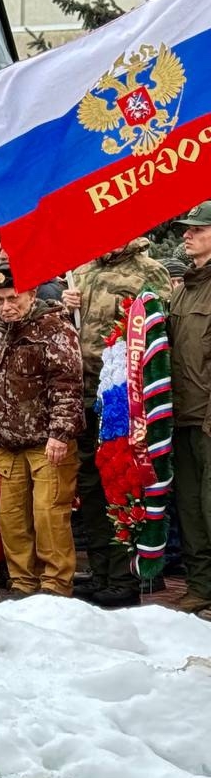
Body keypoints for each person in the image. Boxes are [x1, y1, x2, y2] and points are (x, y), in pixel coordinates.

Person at [62, 238, 171, 607]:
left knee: (122, 484)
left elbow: (158, 329)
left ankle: (125, 578)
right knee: (90, 487)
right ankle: (101, 571)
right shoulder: (84, 270)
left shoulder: (148, 270)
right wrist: (67, 308)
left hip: (124, 396)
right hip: (86, 392)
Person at [0, 265, 83, 597]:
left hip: (47, 442)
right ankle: (23, 583)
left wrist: (60, 433)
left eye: (13, 298)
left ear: (32, 295)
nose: (7, 306)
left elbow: (67, 384)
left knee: (49, 517)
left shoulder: (54, 329)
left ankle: (55, 586)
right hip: (8, 443)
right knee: (11, 520)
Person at [167, 202, 211, 619]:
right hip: (183, 417)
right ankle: (200, 587)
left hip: (209, 420)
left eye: (197, 230)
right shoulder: (182, 290)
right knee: (191, 510)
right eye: (186, 230)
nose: (187, 235)